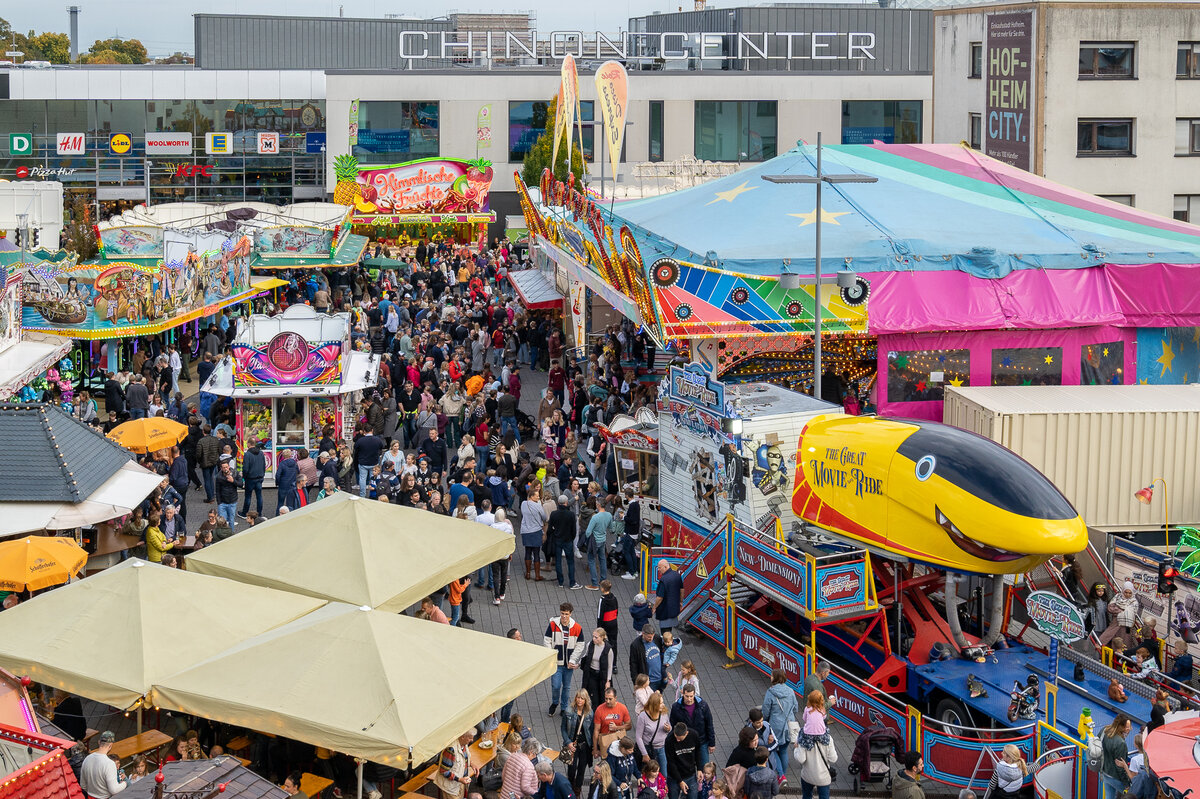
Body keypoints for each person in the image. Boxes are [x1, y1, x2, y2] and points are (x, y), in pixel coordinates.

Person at [545, 602, 587, 717]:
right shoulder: (553, 625)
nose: (564, 616)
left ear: (571, 614)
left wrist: (573, 660)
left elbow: (580, 644)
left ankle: (563, 707)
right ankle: (554, 703)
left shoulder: (577, 627)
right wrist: (551, 656)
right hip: (556, 663)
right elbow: (547, 640)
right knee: (556, 685)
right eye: (562, 613)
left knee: (567, 687)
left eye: (566, 614)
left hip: (568, 664)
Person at [761, 670, 799, 780]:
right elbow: (795, 707)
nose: (770, 676)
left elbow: (766, 711)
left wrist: (765, 722)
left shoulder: (771, 692)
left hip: (775, 727)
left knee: (772, 750)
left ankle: (781, 775)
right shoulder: (791, 691)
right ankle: (783, 776)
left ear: (775, 678)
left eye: (771, 675)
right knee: (783, 750)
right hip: (788, 726)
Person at [794, 713, 838, 799]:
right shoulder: (828, 738)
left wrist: (796, 748)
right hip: (823, 777)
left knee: (806, 796)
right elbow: (833, 759)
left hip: (807, 775)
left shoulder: (803, 737)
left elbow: (801, 759)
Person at [574, 628, 616, 710]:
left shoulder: (608, 649)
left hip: (602, 675)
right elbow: (585, 656)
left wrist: (608, 681)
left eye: (596, 637)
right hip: (591, 674)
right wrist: (578, 664)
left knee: (602, 696)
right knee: (593, 696)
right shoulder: (590, 645)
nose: (594, 639)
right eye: (593, 636)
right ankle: (592, 714)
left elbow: (610, 666)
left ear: (602, 637)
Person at [562, 689, 595, 793]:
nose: (579, 700)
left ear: (586, 700)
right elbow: (563, 728)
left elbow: (592, 730)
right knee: (572, 768)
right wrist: (568, 742)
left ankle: (578, 789)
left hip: (585, 745)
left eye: (582, 698)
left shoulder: (589, 712)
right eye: (578, 697)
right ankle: (570, 786)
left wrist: (594, 747)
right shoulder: (568, 711)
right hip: (573, 745)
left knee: (581, 769)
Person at [79, 731, 127, 798]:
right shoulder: (109, 764)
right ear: (110, 745)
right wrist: (125, 783)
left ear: (99, 742)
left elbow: (83, 785)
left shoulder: (87, 758)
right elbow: (114, 790)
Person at [635, 691, 671, 776]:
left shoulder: (663, 713)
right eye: (660, 703)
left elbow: (669, 725)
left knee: (664, 775)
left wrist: (668, 728)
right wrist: (645, 754)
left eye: (663, 702)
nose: (663, 705)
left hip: (661, 748)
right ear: (654, 705)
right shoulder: (643, 716)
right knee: (649, 775)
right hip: (649, 749)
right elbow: (638, 737)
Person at [434, 731, 478, 799]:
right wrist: (459, 779)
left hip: (460, 783)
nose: (472, 740)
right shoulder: (451, 749)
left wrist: (472, 764)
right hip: (450, 788)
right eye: (470, 738)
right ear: (463, 737)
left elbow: (464, 758)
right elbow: (443, 771)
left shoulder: (464, 744)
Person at [550, 494, 581, 589]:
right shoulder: (571, 514)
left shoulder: (554, 514)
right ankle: (572, 582)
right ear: (566, 503)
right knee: (570, 562)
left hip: (557, 539)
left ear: (558, 503)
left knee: (558, 561)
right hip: (568, 540)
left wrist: (555, 534)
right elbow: (574, 529)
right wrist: (571, 538)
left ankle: (560, 582)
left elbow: (551, 528)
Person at [1100, 713, 1134, 799]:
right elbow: (1120, 766)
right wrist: (1127, 785)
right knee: (1130, 795)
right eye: (1127, 727)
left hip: (1105, 772)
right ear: (1121, 727)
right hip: (1116, 778)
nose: (1130, 729)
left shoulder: (1105, 730)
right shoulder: (1121, 743)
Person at [664, 722, 701, 799]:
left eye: (680, 738)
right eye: (676, 736)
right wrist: (680, 781)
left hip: (690, 775)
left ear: (686, 733)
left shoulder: (694, 735)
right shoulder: (669, 740)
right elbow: (671, 763)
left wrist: (700, 769)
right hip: (674, 777)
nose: (677, 740)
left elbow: (698, 752)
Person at [521, 487, 550, 581]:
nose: (538, 497)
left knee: (527, 552)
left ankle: (528, 573)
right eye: (537, 496)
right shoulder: (538, 506)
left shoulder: (523, 504)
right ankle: (537, 575)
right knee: (536, 553)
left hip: (525, 530)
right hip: (536, 531)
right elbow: (544, 517)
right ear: (531, 496)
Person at [630, 624, 666, 692]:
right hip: (648, 682)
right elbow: (633, 664)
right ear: (643, 634)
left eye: (652, 636)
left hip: (660, 678)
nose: (651, 639)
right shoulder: (635, 645)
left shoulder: (657, 638)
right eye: (649, 637)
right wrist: (635, 682)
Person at [654, 561, 683, 636]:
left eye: (660, 568)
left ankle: (666, 644)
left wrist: (654, 607)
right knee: (669, 630)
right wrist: (681, 601)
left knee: (664, 632)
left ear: (665, 567)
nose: (658, 570)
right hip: (673, 609)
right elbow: (682, 590)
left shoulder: (663, 580)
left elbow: (660, 597)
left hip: (665, 611)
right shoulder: (677, 575)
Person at [240, 442, 265, 517]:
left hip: (250, 479)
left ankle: (244, 513)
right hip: (259, 478)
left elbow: (245, 468)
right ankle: (259, 513)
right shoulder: (261, 453)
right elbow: (264, 464)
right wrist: (262, 475)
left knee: (248, 496)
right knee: (259, 496)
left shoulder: (247, 454)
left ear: (248, 444)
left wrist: (244, 477)